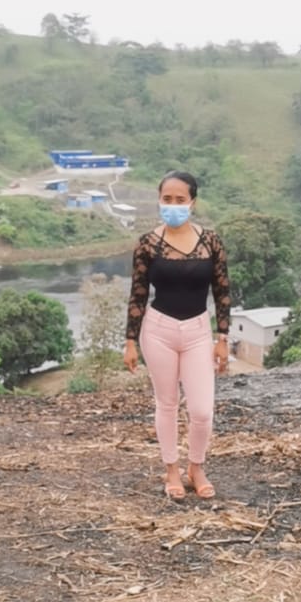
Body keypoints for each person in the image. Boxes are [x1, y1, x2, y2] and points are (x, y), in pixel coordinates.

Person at [124, 171, 230, 501]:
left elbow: (222, 290)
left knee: (202, 410)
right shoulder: (147, 243)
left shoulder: (210, 241)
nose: (173, 205)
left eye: (180, 199)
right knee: (167, 403)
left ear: (192, 202)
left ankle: (196, 467)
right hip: (158, 330)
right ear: (159, 200)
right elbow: (138, 294)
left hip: (198, 330)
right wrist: (130, 341)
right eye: (166, 199)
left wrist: (223, 337)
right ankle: (171, 469)